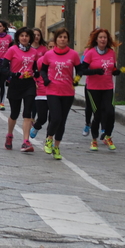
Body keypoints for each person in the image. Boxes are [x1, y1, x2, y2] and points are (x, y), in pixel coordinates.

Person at [37, 28, 82, 160]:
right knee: (55, 117)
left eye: (65, 37)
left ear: (68, 40)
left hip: (68, 92)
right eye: (60, 37)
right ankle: (49, 139)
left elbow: (80, 70)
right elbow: (43, 70)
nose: (62, 39)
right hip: (52, 90)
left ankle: (56, 147)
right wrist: (45, 79)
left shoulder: (73, 55)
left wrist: (77, 80)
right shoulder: (49, 55)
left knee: (62, 121)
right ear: (56, 39)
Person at [79, 28, 123, 151]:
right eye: (100, 37)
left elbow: (112, 68)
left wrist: (116, 72)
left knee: (110, 113)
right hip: (93, 89)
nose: (103, 39)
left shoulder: (111, 53)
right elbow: (82, 70)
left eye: (105, 37)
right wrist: (95, 72)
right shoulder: (91, 53)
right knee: (97, 114)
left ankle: (107, 136)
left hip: (108, 87)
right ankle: (94, 140)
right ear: (96, 40)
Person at [0, 27, 39, 152]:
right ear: (18, 38)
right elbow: (3, 69)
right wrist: (14, 74)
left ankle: (26, 141)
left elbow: (37, 69)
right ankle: (9, 135)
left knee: (27, 113)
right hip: (15, 84)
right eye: (22, 36)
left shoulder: (34, 52)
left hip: (29, 85)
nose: (24, 38)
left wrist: (35, 73)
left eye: (27, 36)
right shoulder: (12, 50)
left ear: (30, 38)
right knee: (14, 113)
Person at [0, 20, 15, 110]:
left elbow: (11, 48)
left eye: (0, 26)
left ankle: (2, 103)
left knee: (3, 84)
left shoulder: (9, 38)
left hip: (5, 62)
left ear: (4, 27)